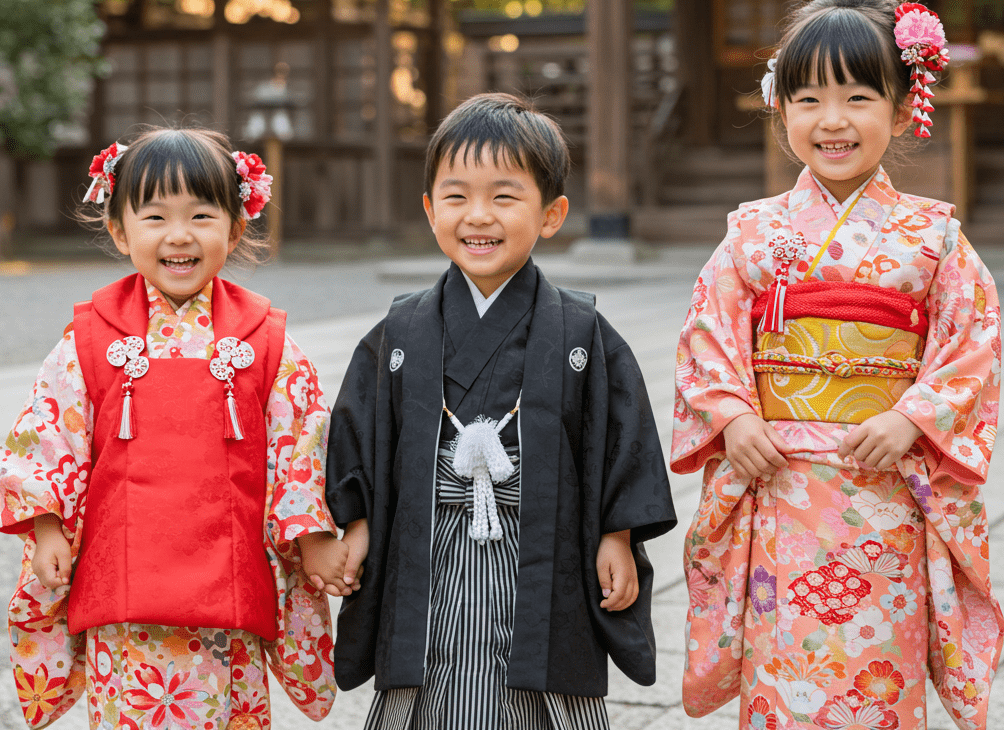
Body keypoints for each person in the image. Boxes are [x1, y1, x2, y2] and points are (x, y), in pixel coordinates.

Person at [671, 0, 1003, 730]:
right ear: (780, 108)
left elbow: (971, 343)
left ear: (901, 105)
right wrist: (731, 415)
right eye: (809, 100)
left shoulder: (933, 237)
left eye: (857, 98)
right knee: (784, 665)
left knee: (877, 669)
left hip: (883, 491)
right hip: (778, 488)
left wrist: (916, 418)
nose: (832, 121)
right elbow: (707, 334)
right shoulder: (754, 232)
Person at [326, 92, 676, 730]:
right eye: (456, 197)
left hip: (540, 551)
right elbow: (360, 438)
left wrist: (617, 535)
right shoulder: (400, 331)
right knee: (430, 684)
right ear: (430, 210)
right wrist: (357, 526)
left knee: (540, 679)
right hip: (426, 547)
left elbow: (619, 437)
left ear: (552, 214)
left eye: (504, 196)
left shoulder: (581, 330)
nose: (477, 216)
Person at [0, 128, 350, 728]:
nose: (179, 235)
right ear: (119, 230)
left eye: (202, 215)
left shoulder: (266, 341)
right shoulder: (88, 339)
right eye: (155, 216)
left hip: (228, 583)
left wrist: (311, 533)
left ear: (236, 228)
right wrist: (49, 524)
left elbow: (302, 443)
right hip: (125, 593)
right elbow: (48, 434)